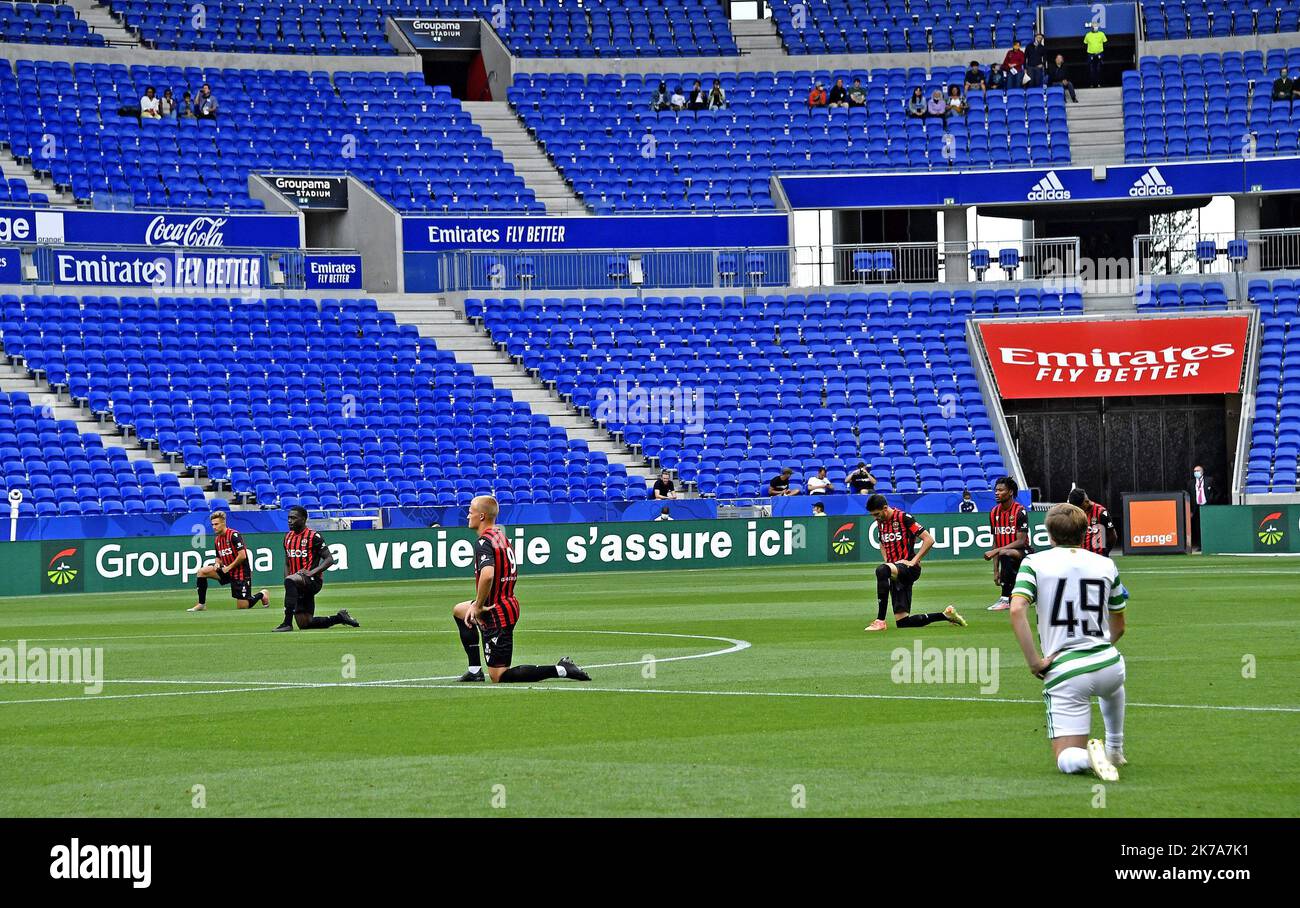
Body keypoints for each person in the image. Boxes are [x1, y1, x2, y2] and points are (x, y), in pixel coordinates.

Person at [1007, 502, 1128, 781]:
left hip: (1067, 671)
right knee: (1113, 684)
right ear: (1086, 532)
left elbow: (1016, 610)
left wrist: (1035, 662)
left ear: (1049, 534)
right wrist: (1098, 646)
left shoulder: (1034, 563)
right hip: (1109, 663)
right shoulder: (1106, 563)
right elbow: (1119, 626)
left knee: (1065, 758)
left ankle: (1089, 756)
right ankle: (1115, 747)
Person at [452, 495, 591, 683]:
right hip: (506, 601)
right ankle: (475, 670)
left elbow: (487, 575)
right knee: (460, 611)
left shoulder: (484, 542)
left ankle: (561, 669)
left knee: (499, 676)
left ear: (482, 516)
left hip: (495, 610)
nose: (468, 515)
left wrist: (477, 606)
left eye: (471, 511)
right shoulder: (500, 536)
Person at [865, 494, 967, 632]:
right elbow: (882, 542)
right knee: (903, 622)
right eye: (873, 515)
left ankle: (880, 621)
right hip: (895, 570)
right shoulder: (880, 522)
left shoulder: (903, 518)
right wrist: (888, 562)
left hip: (908, 569)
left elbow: (929, 539)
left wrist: (914, 561)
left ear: (885, 508)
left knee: (881, 570)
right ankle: (946, 615)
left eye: (876, 514)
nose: (875, 517)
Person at [274, 505, 359, 631]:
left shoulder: (314, 537)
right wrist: (288, 580)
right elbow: (287, 562)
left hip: (312, 581)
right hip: (297, 583)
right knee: (305, 623)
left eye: (293, 518)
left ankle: (287, 623)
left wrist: (312, 572)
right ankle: (340, 617)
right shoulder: (288, 537)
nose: (290, 521)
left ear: (303, 519)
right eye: (288, 518)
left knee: (291, 580)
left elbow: (330, 559)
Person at [188, 510, 268, 612]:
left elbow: (242, 555)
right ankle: (201, 604)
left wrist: (229, 567)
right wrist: (217, 563)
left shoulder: (234, 535)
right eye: (212, 524)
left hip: (241, 573)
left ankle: (262, 594)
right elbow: (218, 556)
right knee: (202, 572)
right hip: (227, 571)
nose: (214, 527)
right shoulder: (217, 539)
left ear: (223, 523)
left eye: (216, 524)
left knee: (243, 606)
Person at [984, 476, 1031, 611]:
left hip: (1024, 552)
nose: (996, 493)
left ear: (1010, 492)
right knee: (1004, 553)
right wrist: (995, 571)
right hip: (1006, 554)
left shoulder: (1019, 511)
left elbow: (1021, 541)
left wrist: (996, 551)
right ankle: (1020, 595)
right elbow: (995, 541)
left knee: (1005, 552)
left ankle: (1005, 598)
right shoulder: (994, 512)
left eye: (1000, 490)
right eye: (996, 490)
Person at [1067, 488, 1117, 556]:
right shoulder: (1075, 513)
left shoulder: (1101, 512)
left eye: (1079, 507)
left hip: (1098, 557)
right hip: (1081, 557)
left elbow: (1112, 536)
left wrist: (1106, 552)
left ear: (1086, 502)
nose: (1078, 510)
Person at [1188, 464, 1218, 549]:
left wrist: (1212, 501)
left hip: (1207, 506)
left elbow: (1218, 492)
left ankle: (1210, 544)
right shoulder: (1191, 483)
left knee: (1209, 525)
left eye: (1198, 471)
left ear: (1202, 472)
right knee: (1198, 527)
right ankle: (1201, 545)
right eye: (1195, 471)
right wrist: (1190, 510)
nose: (1196, 472)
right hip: (1196, 508)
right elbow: (1188, 496)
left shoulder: (1209, 480)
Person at [1084, 21, 1107, 87]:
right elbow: (1085, 43)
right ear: (1091, 27)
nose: (1096, 27)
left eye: (1096, 26)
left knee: (1099, 69)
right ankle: (1091, 83)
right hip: (1090, 54)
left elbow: (1105, 42)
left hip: (1100, 53)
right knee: (1091, 69)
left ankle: (1099, 83)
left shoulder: (1102, 34)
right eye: (1094, 26)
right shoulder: (1088, 35)